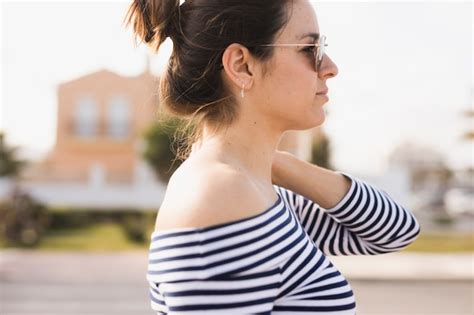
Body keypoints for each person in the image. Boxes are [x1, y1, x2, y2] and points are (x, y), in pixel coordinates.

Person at [125, 0, 421, 314]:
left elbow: (395, 231)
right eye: (310, 49)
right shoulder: (223, 194)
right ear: (242, 65)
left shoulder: (254, 189)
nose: (330, 67)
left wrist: (271, 161)